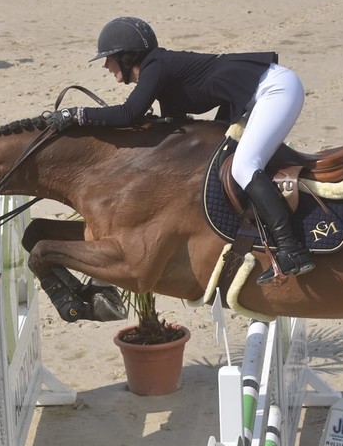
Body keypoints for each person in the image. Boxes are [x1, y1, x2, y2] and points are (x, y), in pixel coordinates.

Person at [47, 16, 314, 283]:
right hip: (257, 96)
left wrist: (76, 115)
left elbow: (129, 113)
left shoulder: (156, 66)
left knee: (245, 166)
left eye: (110, 57)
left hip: (275, 90)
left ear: (128, 57)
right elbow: (173, 128)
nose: (105, 64)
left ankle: (292, 249)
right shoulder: (161, 74)